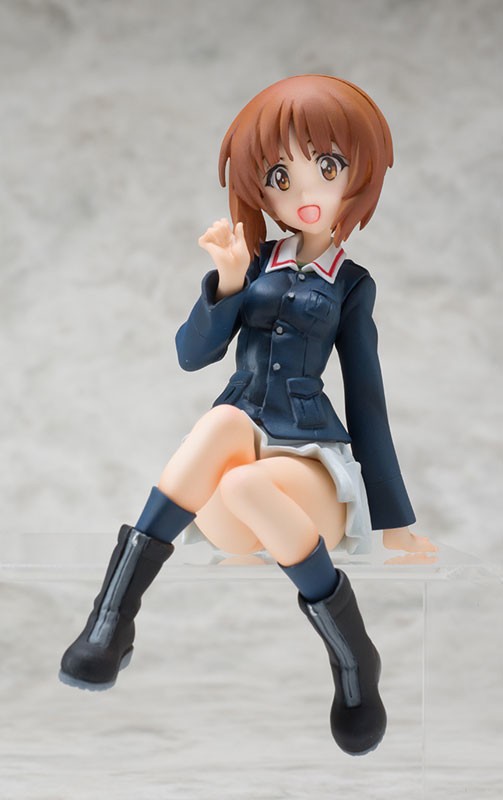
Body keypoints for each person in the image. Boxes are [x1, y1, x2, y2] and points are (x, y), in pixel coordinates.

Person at [60, 75, 435, 756]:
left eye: (327, 167)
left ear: (359, 173)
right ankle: (111, 620)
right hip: (231, 487)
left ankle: (353, 656)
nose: (302, 191)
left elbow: (367, 398)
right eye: (279, 176)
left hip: (305, 476)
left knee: (247, 483)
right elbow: (191, 356)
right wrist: (230, 282)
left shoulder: (352, 286)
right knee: (222, 429)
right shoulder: (254, 262)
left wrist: (396, 523)